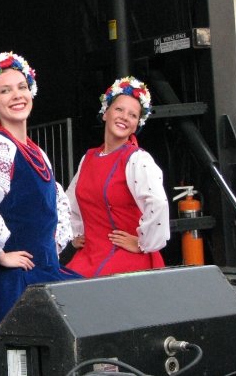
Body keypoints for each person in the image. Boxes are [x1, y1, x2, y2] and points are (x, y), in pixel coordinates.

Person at [0, 52, 81, 344]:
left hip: (43, 271)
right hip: (15, 281)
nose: (16, 95)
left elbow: (52, 209)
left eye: (22, 87)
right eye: (5, 90)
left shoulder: (36, 152)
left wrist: (50, 252)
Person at [65, 76, 170, 278]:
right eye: (119, 109)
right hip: (90, 254)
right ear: (106, 113)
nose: (124, 117)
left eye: (132, 115)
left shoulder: (138, 159)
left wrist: (141, 243)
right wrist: (75, 234)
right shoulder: (88, 158)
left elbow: (158, 202)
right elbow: (70, 202)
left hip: (124, 257)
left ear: (137, 124)